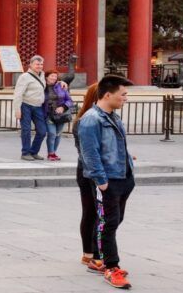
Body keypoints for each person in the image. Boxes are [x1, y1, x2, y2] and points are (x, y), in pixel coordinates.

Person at [77, 74, 135, 289]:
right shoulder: (91, 119)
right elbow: (89, 153)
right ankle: (111, 266)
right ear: (108, 95)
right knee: (108, 223)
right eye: (123, 94)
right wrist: (101, 181)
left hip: (123, 177)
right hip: (107, 179)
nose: (125, 98)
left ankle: (98, 259)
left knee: (114, 220)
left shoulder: (114, 117)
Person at [72, 83, 105, 275]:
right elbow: (86, 151)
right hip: (88, 171)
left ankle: (95, 252)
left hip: (97, 169)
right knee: (91, 212)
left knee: (98, 213)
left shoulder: (105, 118)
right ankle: (89, 253)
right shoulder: (85, 121)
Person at [12, 55, 47, 160]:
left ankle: (34, 152)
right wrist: (17, 110)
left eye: (41, 64)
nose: (39, 66)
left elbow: (53, 80)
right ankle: (25, 153)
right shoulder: (24, 77)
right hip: (26, 105)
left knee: (42, 131)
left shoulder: (43, 75)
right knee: (26, 130)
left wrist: (62, 82)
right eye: (37, 64)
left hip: (38, 106)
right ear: (31, 64)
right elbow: (18, 94)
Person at [43, 68, 75, 161]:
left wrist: (63, 107)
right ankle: (51, 153)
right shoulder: (42, 87)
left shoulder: (61, 86)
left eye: (55, 76)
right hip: (49, 114)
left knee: (58, 134)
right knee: (52, 133)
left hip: (61, 115)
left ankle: (53, 153)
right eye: (52, 76)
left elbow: (69, 100)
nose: (54, 78)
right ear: (46, 77)